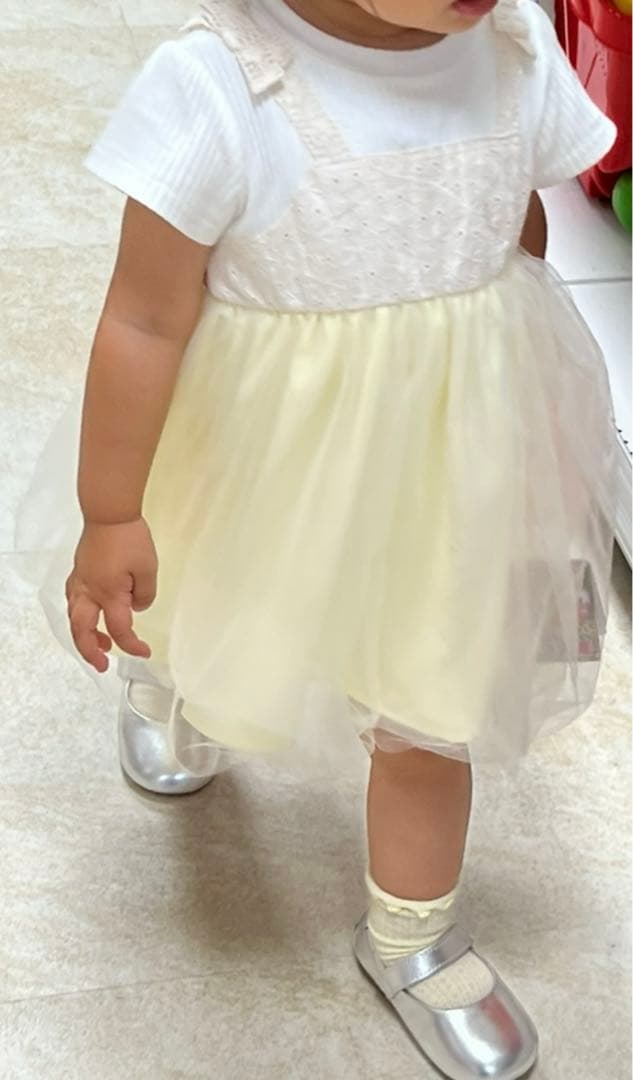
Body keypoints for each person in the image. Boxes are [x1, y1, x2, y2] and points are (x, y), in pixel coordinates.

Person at [17, 0, 617, 1075]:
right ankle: (163, 686)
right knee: (207, 598)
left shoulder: (516, 47)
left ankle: (413, 934)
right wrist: (110, 511)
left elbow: (518, 233)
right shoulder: (219, 86)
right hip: (266, 456)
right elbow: (145, 318)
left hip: (455, 460)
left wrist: (542, 421)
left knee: (433, 705)